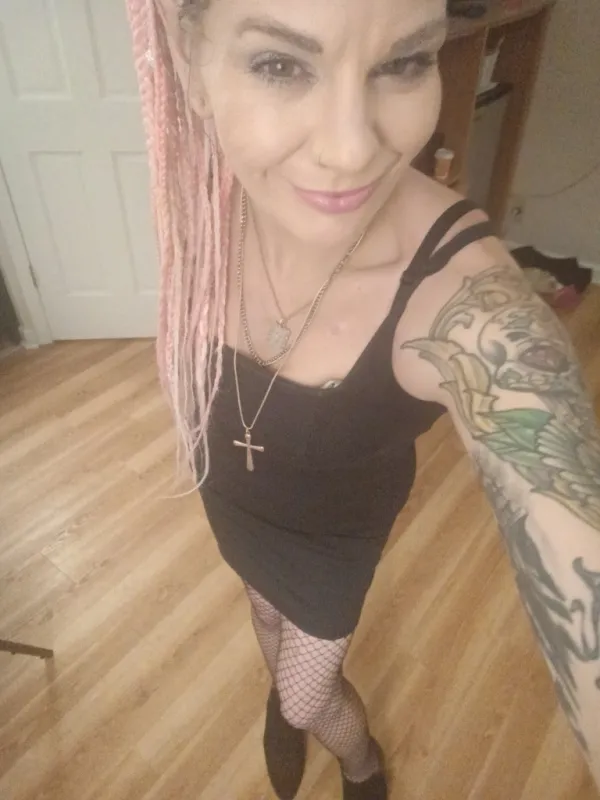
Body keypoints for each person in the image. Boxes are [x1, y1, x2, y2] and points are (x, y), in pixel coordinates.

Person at [126, 0, 600, 797]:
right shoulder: (203, 191)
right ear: (188, 61)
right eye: (280, 64)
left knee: (310, 694)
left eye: (404, 62)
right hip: (234, 499)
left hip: (331, 540)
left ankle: (359, 759)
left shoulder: (465, 304)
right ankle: (288, 698)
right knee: (265, 617)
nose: (352, 150)